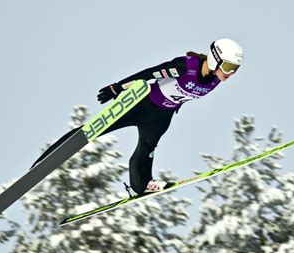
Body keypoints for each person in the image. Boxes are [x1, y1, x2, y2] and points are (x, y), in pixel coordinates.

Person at [31, 38, 244, 196]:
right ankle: (47, 158)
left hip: (163, 115)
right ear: (215, 59)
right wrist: (118, 88)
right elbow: (150, 73)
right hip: (142, 105)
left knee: (147, 148)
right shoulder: (185, 67)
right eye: (228, 67)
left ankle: (141, 185)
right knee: (92, 131)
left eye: (235, 69)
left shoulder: (215, 80)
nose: (230, 73)